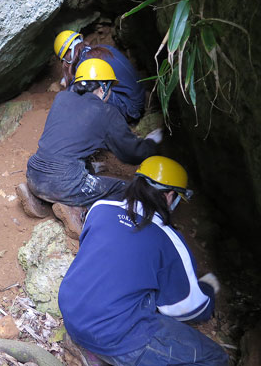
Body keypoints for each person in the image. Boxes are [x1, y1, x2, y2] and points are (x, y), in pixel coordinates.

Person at [57, 156, 228, 366]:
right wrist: (208, 290)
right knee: (215, 357)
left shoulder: (100, 208)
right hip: (114, 336)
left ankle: (89, 353)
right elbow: (191, 309)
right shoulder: (167, 238)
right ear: (169, 195)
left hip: (72, 314)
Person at [16, 58, 161, 239]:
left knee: (78, 162)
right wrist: (151, 143)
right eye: (110, 88)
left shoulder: (61, 98)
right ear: (102, 88)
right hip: (63, 183)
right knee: (124, 189)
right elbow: (131, 153)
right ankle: (76, 209)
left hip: (34, 173)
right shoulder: (106, 112)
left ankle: (37, 197)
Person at [54, 30, 146, 122]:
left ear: (67, 55)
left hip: (131, 108)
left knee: (83, 93)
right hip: (139, 98)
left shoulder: (86, 63)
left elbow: (72, 93)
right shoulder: (100, 48)